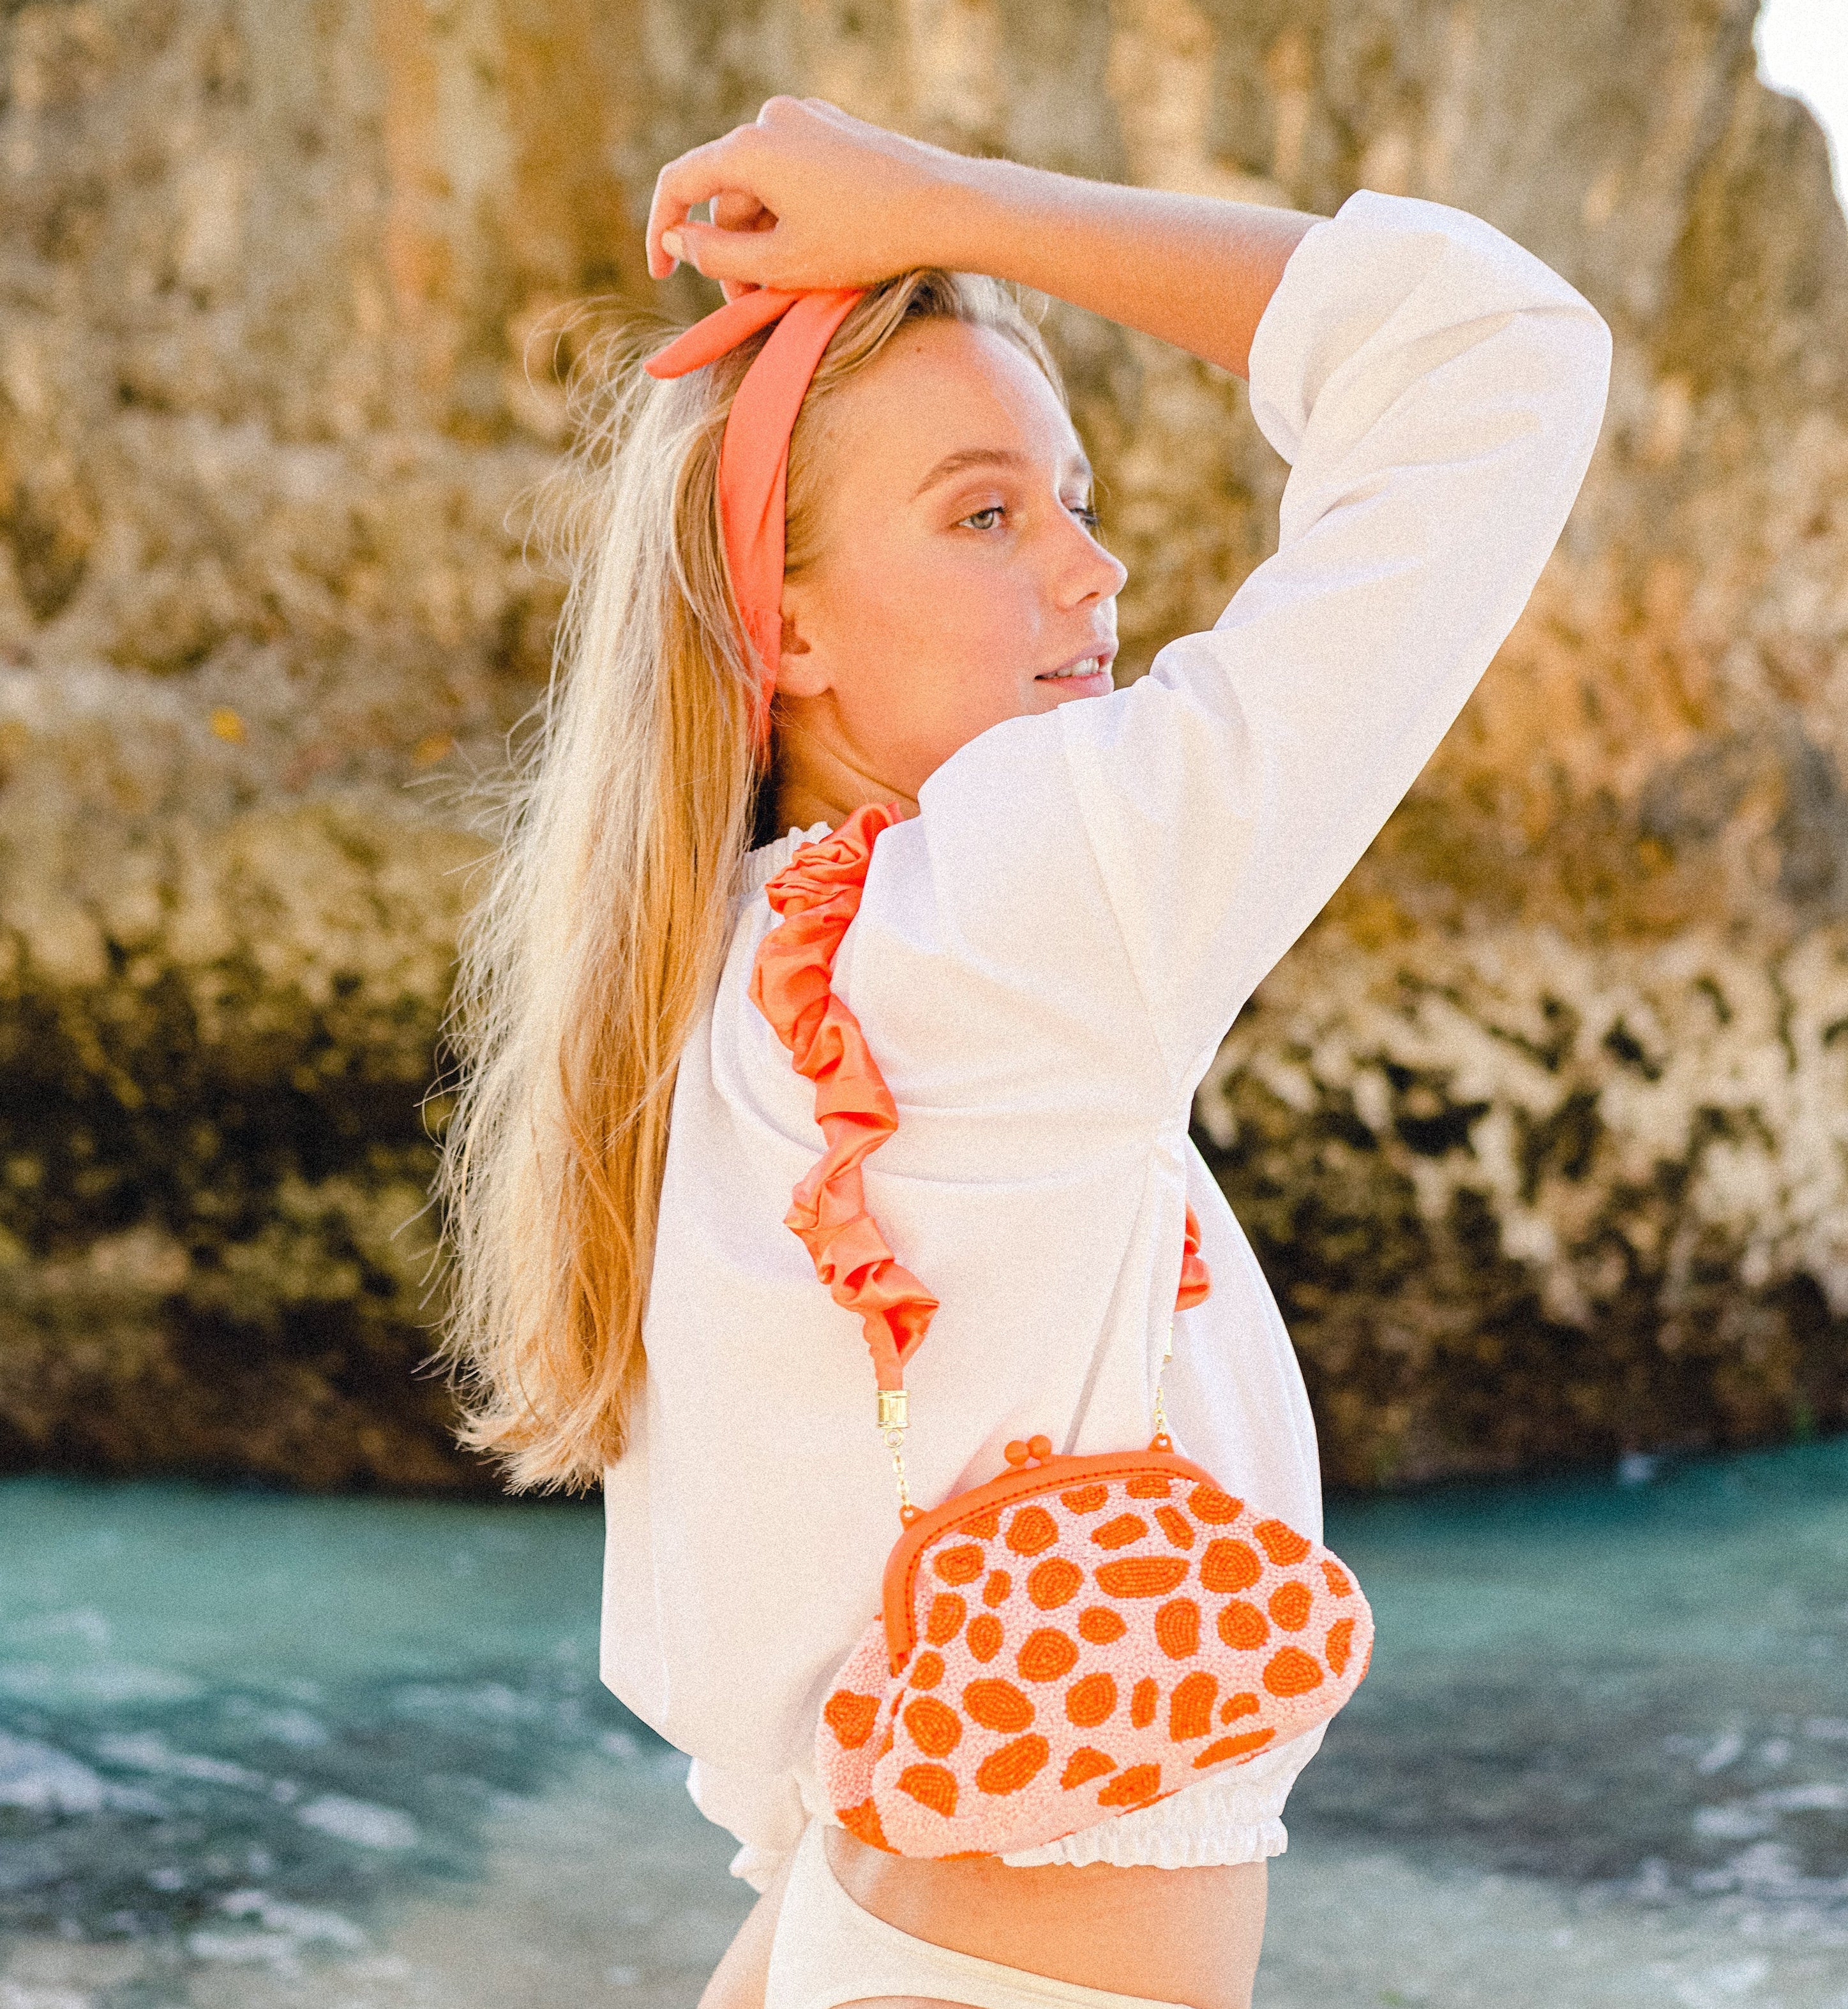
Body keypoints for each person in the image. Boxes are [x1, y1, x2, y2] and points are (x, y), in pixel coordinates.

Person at [434, 96, 1610, 2009]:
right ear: (780, 621)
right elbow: (1496, 355)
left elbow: (779, 1707)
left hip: (861, 1938)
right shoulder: (1021, 913)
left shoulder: (708, 987)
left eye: (1074, 496)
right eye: (987, 512)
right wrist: (951, 202)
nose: (1092, 571)